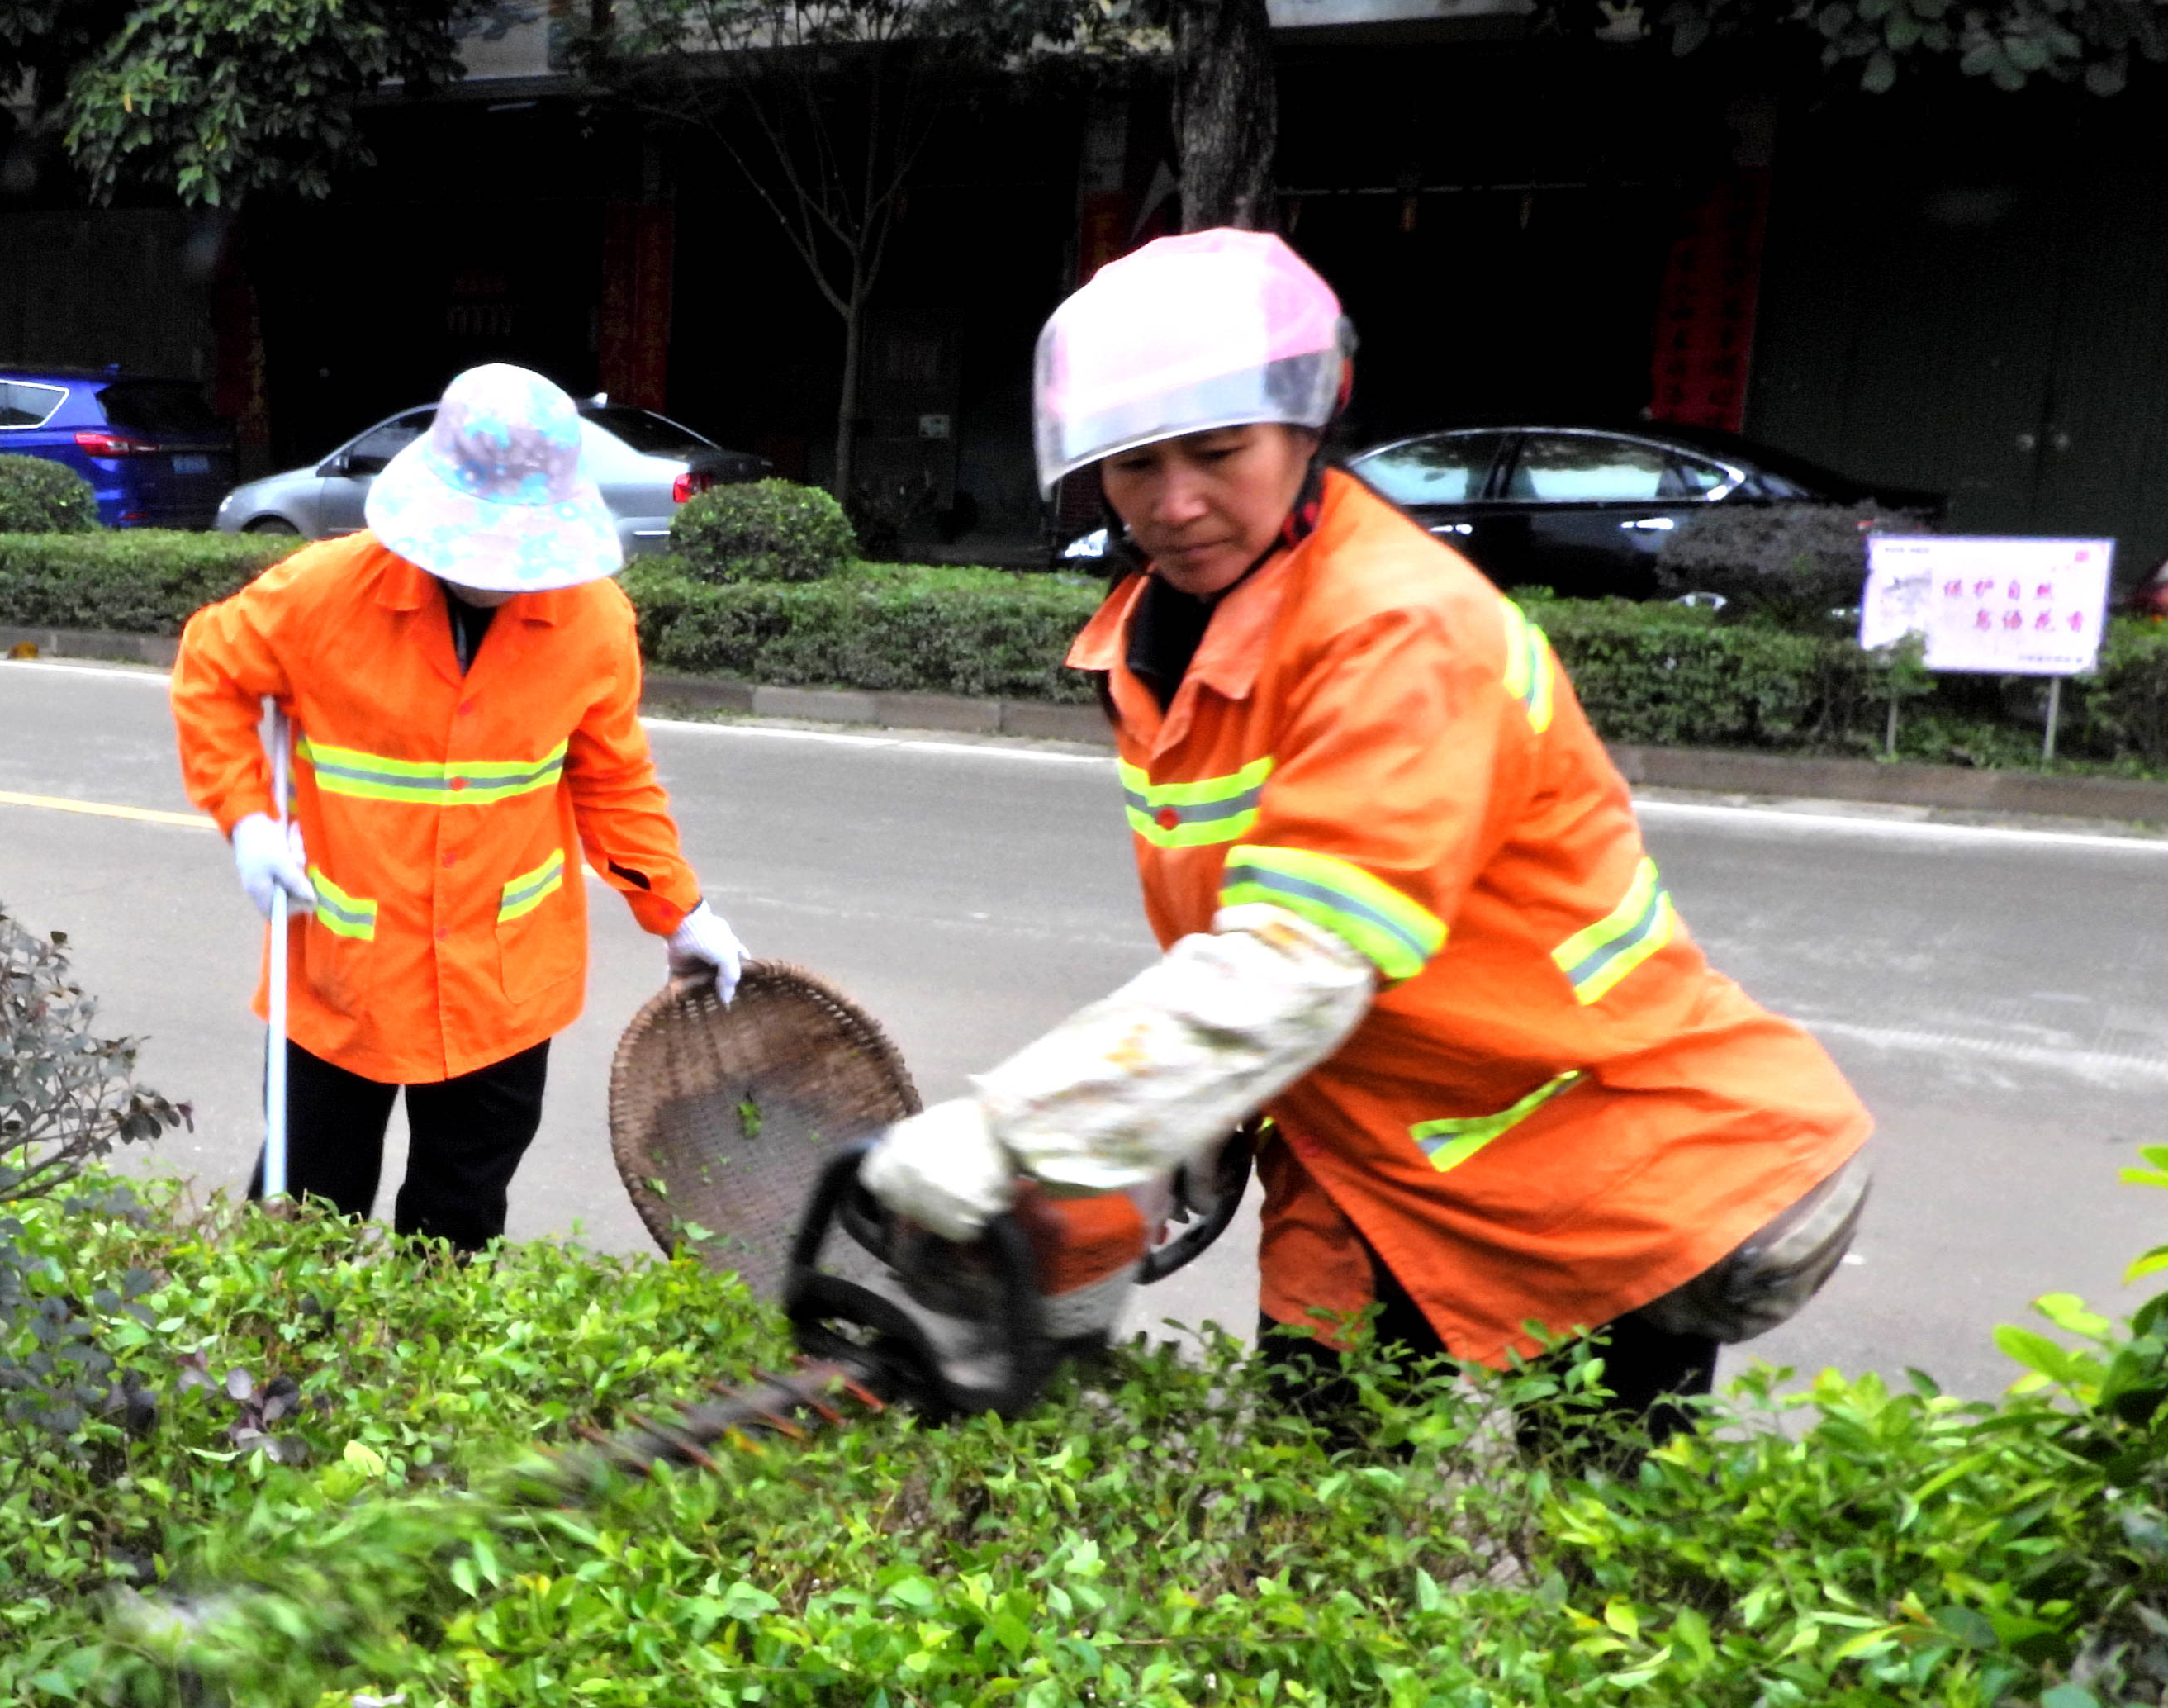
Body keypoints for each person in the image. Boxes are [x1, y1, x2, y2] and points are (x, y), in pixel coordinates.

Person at [860, 229, 1872, 1434]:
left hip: (1595, 1166)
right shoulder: (1155, 630)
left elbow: (1298, 957)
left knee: (1610, 1554)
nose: (1174, 505)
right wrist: (1186, 1107)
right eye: (1132, 465)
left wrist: (1018, 1128)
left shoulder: (1401, 630)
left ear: (1313, 420)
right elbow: (1244, 930)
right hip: (1357, 1164)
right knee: (1315, 1525)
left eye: (1219, 452)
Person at [172, 363, 750, 1248]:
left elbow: (612, 781)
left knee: (459, 1224)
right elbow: (211, 675)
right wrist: (248, 818)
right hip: (341, 978)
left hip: (502, 989)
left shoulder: (593, 622)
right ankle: (279, 1390)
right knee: (299, 1224)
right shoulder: (322, 594)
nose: (498, 572)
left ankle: (417, 1383)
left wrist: (680, 911)